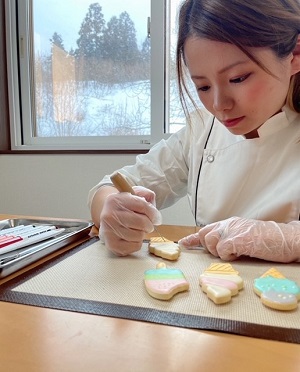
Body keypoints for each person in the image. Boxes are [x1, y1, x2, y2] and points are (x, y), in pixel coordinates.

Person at [88, 0, 300, 263]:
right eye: (203, 87)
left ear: (295, 55)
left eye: (238, 78)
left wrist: (288, 241)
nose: (220, 105)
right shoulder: (201, 129)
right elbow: (109, 187)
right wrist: (112, 210)